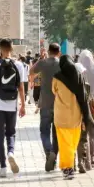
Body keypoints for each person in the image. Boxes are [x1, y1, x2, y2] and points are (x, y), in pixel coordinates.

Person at [0, 39, 28, 178]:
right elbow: (21, 87)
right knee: (11, 133)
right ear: (12, 49)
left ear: (0, 49)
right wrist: (23, 105)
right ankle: (11, 152)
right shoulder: (19, 65)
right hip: (13, 105)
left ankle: (3, 167)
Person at [52, 55, 94, 180]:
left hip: (61, 115)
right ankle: (69, 165)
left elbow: (54, 91)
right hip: (76, 116)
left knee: (64, 143)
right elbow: (83, 96)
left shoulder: (57, 77)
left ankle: (67, 168)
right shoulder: (79, 76)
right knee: (73, 143)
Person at [31, 42, 60, 172]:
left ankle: (48, 152)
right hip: (60, 104)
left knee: (44, 131)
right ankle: (54, 155)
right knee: (57, 133)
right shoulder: (62, 64)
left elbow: (31, 71)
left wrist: (41, 61)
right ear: (59, 52)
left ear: (48, 51)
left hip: (45, 103)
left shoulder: (43, 63)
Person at [78, 49, 94, 169]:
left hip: (80, 105)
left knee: (82, 133)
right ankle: (93, 158)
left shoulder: (78, 70)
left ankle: (85, 158)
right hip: (93, 106)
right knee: (92, 131)